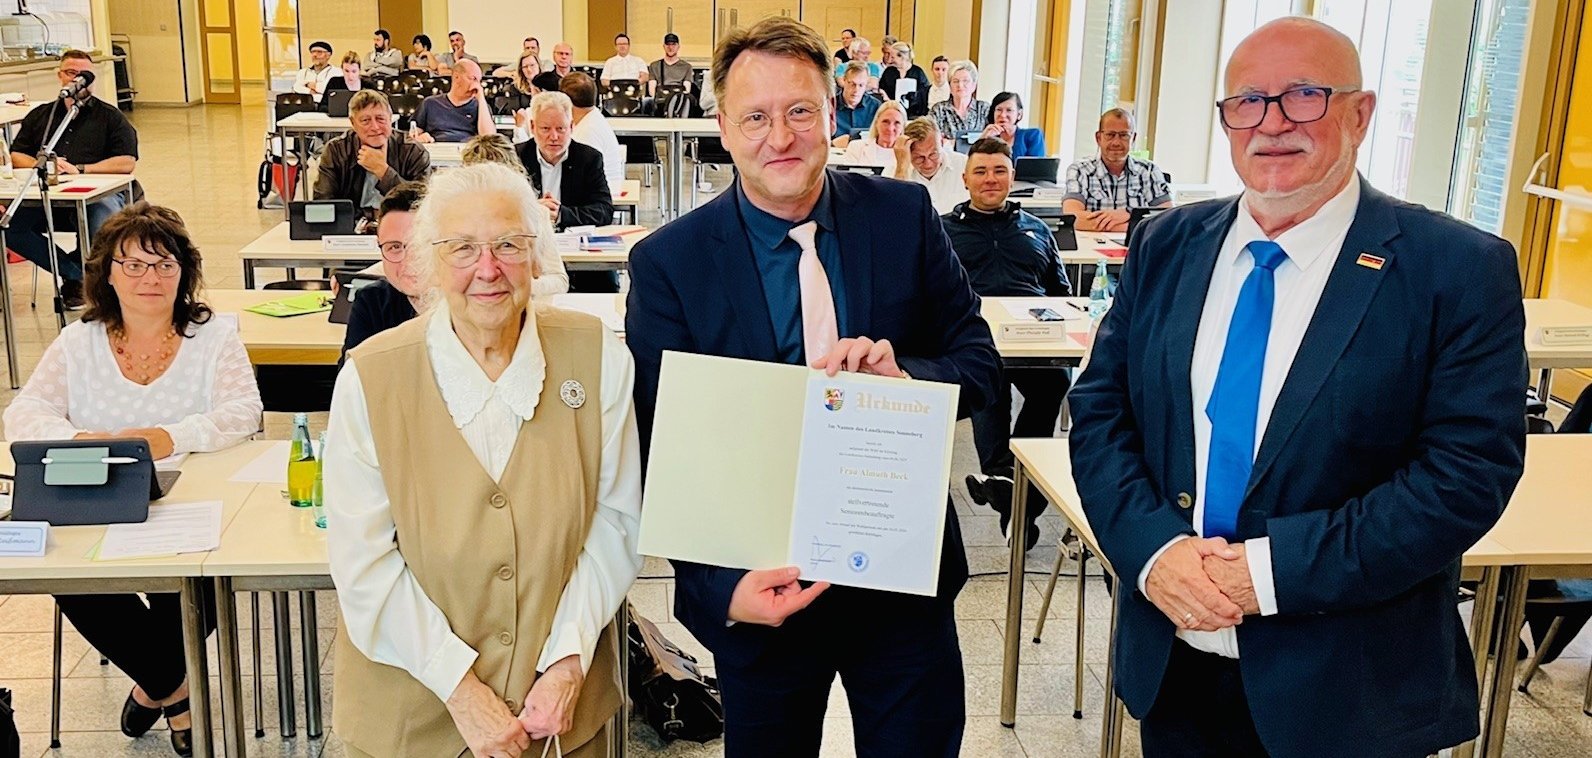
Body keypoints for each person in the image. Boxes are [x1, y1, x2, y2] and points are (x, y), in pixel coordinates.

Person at [1068, 18, 1527, 757]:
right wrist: (1154, 552)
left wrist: (1268, 571)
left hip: (1349, 691)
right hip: (1175, 662)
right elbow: (1099, 413)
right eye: (1248, 101)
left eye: (1304, 96)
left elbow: (1465, 476)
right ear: (1225, 121)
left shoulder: (1456, 271)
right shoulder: (1168, 243)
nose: (1272, 122)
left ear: (1361, 113)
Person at [626, 17, 999, 757]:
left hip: (902, 583)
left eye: (800, 111)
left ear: (833, 114)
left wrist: (908, 379)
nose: (781, 136)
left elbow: (979, 365)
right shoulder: (671, 264)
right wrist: (718, 588)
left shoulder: (903, 218)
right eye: (756, 117)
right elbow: (662, 447)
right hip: (763, 592)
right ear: (724, 131)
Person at [325, 162, 642, 758]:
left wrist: (568, 659)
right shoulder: (370, 376)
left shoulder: (598, 356)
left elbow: (617, 522)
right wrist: (461, 689)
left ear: (537, 254)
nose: (488, 269)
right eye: (463, 248)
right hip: (411, 717)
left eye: (508, 245)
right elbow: (361, 562)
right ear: (429, 263)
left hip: (561, 715)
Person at [3, 202, 263, 758]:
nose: (151, 278)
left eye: (165, 265)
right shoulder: (80, 341)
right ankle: (179, 693)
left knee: (204, 580)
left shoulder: (212, 335)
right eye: (135, 265)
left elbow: (245, 412)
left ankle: (154, 688)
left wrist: (167, 436)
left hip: (195, 500)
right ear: (108, 274)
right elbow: (23, 414)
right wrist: (82, 442)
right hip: (99, 498)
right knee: (70, 574)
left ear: (184, 273)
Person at [943, 138, 1070, 549]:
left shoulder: (1036, 228)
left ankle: (1004, 485)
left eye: (999, 170)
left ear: (1012, 177)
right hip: (975, 337)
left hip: (1034, 339)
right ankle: (1015, 486)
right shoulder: (943, 230)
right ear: (965, 180)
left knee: (1055, 383)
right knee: (989, 377)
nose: (990, 179)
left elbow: (1060, 292)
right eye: (980, 171)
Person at [6, 50, 139, 309]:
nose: (77, 79)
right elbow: (17, 154)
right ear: (60, 76)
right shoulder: (41, 116)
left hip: (97, 194)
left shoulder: (110, 117)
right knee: (11, 227)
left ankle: (91, 281)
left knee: (103, 217)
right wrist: (44, 166)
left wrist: (81, 169)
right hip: (50, 195)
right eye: (71, 73)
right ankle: (76, 275)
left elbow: (127, 162)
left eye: (84, 75)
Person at [515, 91, 616, 293]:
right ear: (532, 127)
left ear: (571, 127)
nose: (554, 137)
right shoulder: (516, 157)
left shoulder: (589, 158)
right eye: (545, 129)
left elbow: (604, 210)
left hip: (580, 256)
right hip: (530, 255)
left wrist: (562, 214)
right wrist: (536, 212)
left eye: (561, 129)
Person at [314, 90, 431, 222]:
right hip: (351, 227)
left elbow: (422, 205)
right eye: (365, 120)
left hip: (401, 226)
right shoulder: (336, 151)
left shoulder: (413, 151)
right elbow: (323, 205)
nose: (375, 127)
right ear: (353, 123)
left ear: (390, 118)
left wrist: (383, 172)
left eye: (380, 119)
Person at [342, 183, 425, 357]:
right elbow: (354, 378)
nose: (408, 260)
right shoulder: (372, 303)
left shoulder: (470, 304)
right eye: (394, 247)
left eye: (419, 246)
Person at [1062, 107, 1171, 231]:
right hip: (1091, 246)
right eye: (1110, 135)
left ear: (1133, 138)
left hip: (1136, 246)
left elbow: (1167, 218)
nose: (1116, 142)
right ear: (1098, 138)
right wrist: (1133, 224)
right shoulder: (1080, 170)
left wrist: (1128, 214)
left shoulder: (1149, 170)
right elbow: (1072, 218)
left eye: (1124, 135)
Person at [563, 72, 625, 190]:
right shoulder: (592, 118)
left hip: (599, 195)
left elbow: (579, 177)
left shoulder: (587, 131)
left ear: (567, 102)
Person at [410, 59, 494, 143]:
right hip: (437, 150)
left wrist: (481, 98)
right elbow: (413, 136)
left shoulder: (480, 107)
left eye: (479, 81)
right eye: (473, 79)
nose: (477, 85)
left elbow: (489, 139)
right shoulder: (430, 103)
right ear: (457, 77)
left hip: (468, 151)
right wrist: (421, 138)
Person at [897, 117, 967, 213]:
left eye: (933, 154)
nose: (928, 164)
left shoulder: (964, 165)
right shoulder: (895, 171)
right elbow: (892, 214)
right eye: (919, 158)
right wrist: (901, 170)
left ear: (942, 142)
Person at [929, 60, 990, 145]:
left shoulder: (984, 108)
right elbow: (930, 137)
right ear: (950, 86)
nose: (960, 85)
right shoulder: (938, 110)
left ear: (974, 86)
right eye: (955, 81)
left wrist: (951, 142)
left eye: (965, 81)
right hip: (948, 157)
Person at [839, 99, 907, 174]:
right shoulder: (856, 147)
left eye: (897, 123)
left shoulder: (908, 154)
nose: (890, 128)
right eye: (885, 122)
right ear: (876, 123)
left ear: (903, 127)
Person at [980, 91, 1046, 159]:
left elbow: (1036, 167)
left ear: (1019, 114)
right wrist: (982, 140)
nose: (1003, 115)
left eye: (1009, 110)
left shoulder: (1033, 135)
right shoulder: (988, 138)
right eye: (999, 110)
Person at [831, 61, 881, 146]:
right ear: (844, 81)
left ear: (866, 85)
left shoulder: (875, 106)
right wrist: (832, 144)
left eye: (861, 85)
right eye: (852, 84)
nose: (856, 90)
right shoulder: (830, 105)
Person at [877, 42, 930, 118]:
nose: (889, 60)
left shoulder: (918, 72)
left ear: (901, 57)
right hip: (892, 111)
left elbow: (924, 93)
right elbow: (881, 88)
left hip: (914, 114)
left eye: (893, 57)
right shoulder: (889, 71)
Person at [646, 33, 694, 99]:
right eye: (668, 44)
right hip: (660, 100)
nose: (670, 47)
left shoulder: (687, 67)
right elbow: (652, 90)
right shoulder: (654, 66)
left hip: (679, 99)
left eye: (673, 44)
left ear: (678, 47)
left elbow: (687, 90)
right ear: (664, 46)